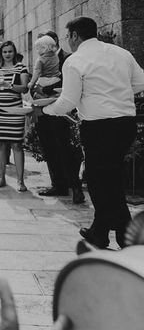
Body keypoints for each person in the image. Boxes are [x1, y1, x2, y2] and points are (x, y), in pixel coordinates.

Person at [35, 17, 144, 248]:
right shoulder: (120, 53)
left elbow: (68, 100)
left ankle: (126, 236)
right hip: (125, 123)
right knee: (110, 177)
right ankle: (100, 232)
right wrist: (117, 94)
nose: (68, 41)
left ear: (75, 35)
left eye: (68, 37)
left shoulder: (76, 60)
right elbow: (141, 81)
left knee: (98, 180)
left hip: (99, 127)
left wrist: (44, 109)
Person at [33, 31, 84, 204]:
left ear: (54, 43)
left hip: (63, 112)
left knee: (66, 150)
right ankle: (58, 185)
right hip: (43, 111)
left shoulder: (68, 58)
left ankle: (75, 187)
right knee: (49, 148)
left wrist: (44, 89)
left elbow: (69, 82)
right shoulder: (41, 59)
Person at [0, 41, 29, 191]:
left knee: (17, 144)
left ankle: (20, 181)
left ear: (14, 52)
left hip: (15, 111)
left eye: (10, 51)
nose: (7, 54)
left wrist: (8, 85)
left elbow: (24, 89)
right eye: (4, 52)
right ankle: (1, 178)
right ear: (1, 54)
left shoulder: (21, 68)